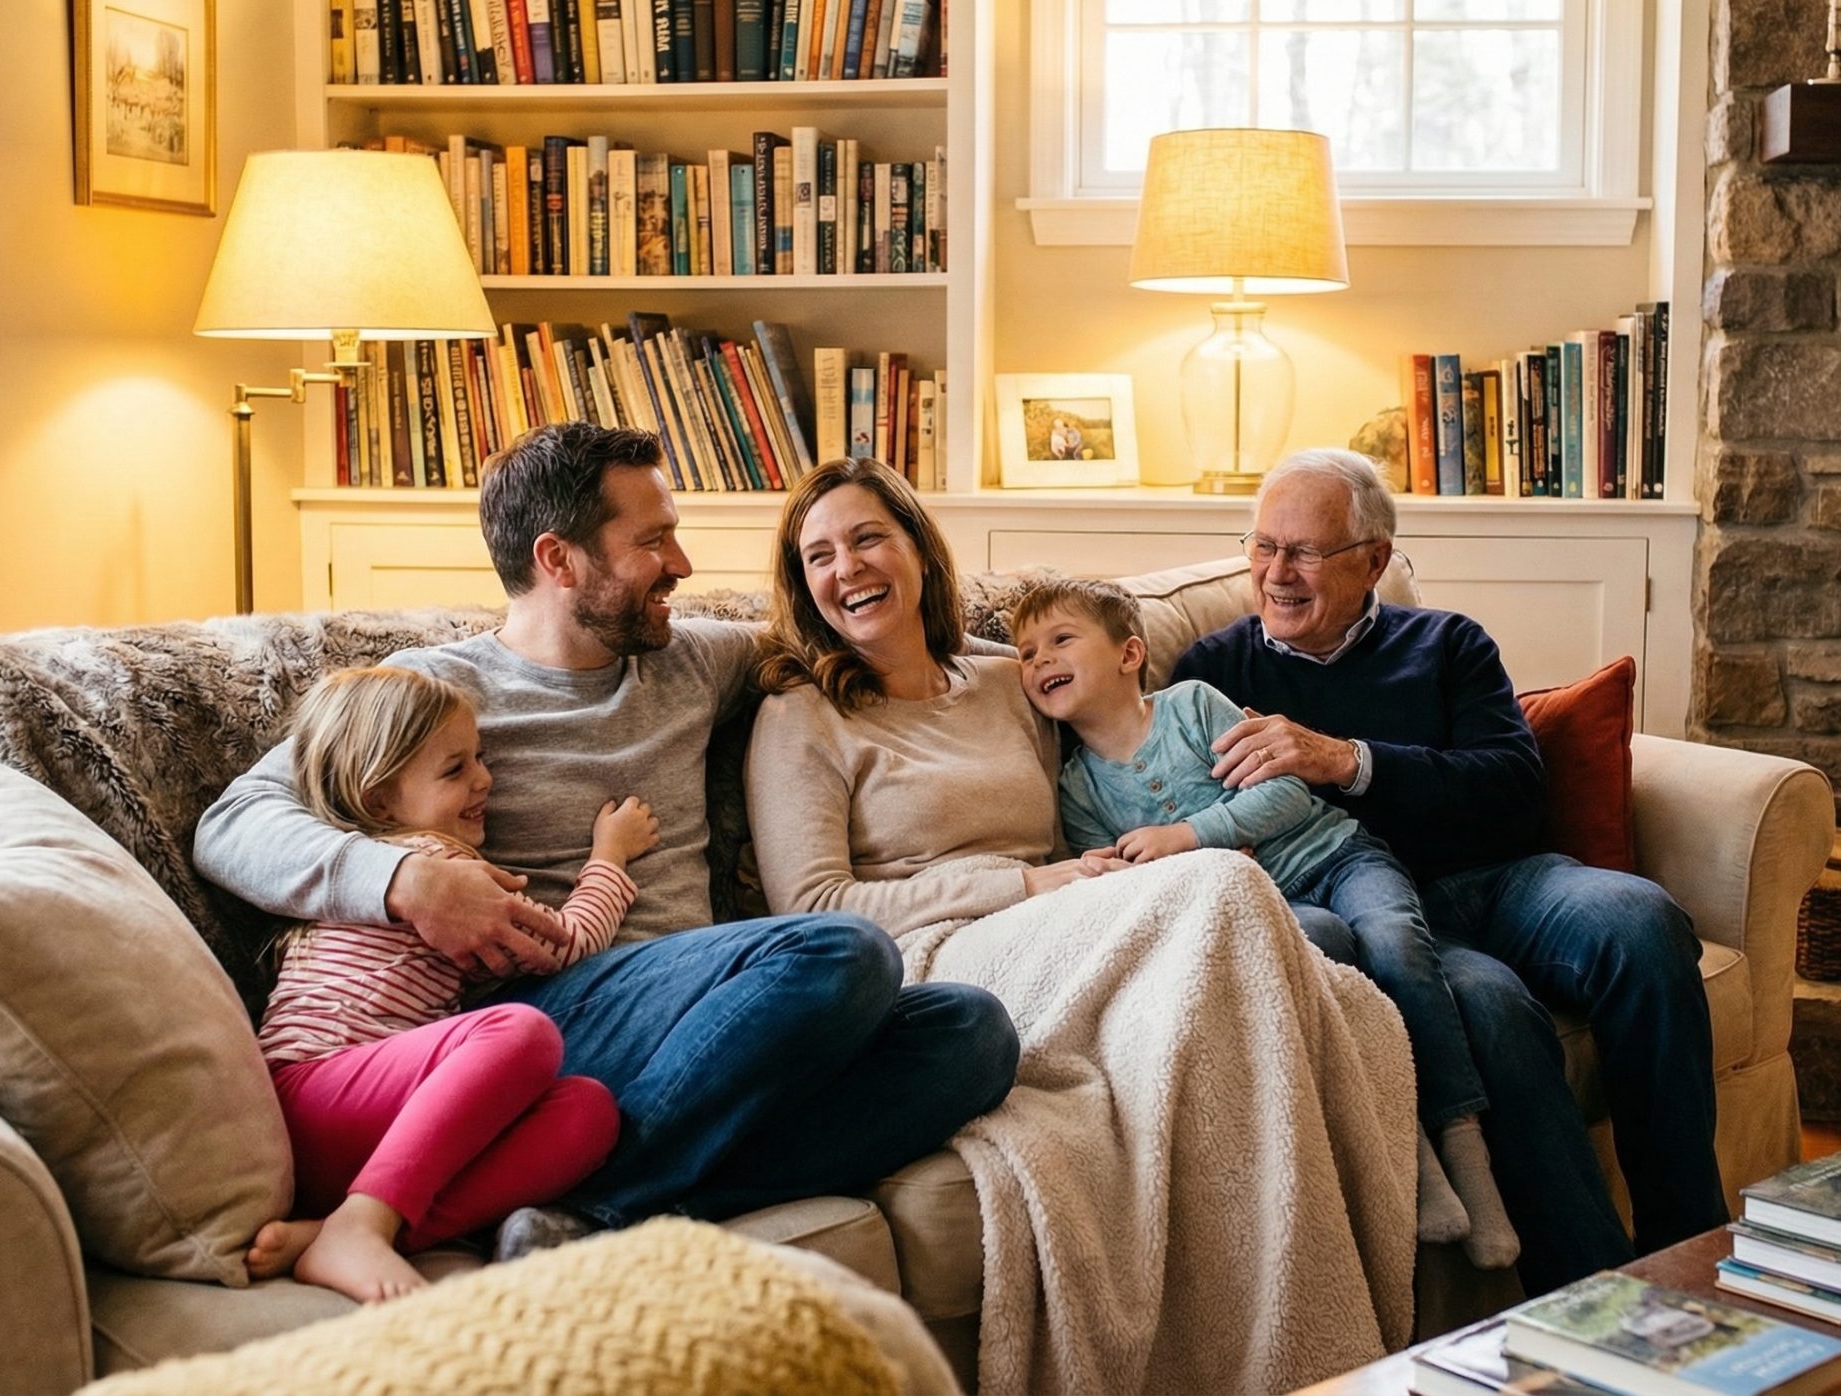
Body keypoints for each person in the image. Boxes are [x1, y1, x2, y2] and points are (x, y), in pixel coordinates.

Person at [195, 422, 1019, 1256]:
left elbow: (868, 636)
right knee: (844, 952)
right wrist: (405, 882)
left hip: (719, 1019)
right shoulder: (437, 690)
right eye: (653, 540)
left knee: (970, 1033)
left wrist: (1040, 671)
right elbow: (234, 823)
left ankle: (594, 1211)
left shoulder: (695, 660)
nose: (684, 565)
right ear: (560, 561)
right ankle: (605, 1200)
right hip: (535, 1019)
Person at [743, 456, 1419, 1391]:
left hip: (1076, 913)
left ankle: (1289, 1336)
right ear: (803, 584)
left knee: (1326, 989)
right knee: (1220, 888)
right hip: (940, 950)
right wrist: (1024, 888)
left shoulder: (1004, 681)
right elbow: (815, 911)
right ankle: (1308, 1355)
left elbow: (1099, 790)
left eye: (867, 538)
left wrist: (1097, 869)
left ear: (915, 552)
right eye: (819, 554)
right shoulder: (800, 716)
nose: (846, 568)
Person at [1169, 447, 1728, 1292]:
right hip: (1373, 917)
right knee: (1493, 1010)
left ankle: (1691, 1249)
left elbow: (1512, 790)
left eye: (1306, 552)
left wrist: (1346, 760)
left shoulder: (1447, 644)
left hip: (1500, 878)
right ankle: (1603, 1300)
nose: (1276, 574)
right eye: (1262, 547)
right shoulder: (1211, 676)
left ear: (1374, 562)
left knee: (1639, 920)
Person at [1007, 575, 1517, 1266]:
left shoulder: (1191, 706)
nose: (1040, 661)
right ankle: (1416, 1158)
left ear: (1130, 654)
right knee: (1323, 958)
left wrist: (1190, 833)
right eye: (1026, 653)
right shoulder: (1077, 789)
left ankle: (1471, 1152)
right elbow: (1128, 882)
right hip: (1277, 905)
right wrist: (1164, 866)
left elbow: (1283, 790)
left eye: (1060, 640)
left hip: (1338, 856)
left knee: (1396, 941)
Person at [246, 665, 637, 1302]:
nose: (485, 778)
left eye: (479, 758)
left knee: (589, 1111)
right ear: (379, 801)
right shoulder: (438, 867)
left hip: (374, 1133)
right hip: (316, 1096)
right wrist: (609, 859)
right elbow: (564, 944)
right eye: (455, 770)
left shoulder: (343, 871)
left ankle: (340, 1228)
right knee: (523, 1032)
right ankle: (364, 1224)